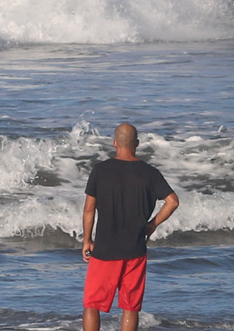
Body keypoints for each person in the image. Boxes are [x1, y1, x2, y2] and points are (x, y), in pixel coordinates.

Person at [82, 123, 180, 331]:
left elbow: (89, 209)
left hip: (105, 250)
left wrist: (87, 240)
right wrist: (151, 225)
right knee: (130, 307)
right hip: (135, 250)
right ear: (136, 144)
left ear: (114, 143)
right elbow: (172, 201)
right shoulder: (150, 173)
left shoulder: (100, 170)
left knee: (92, 304)